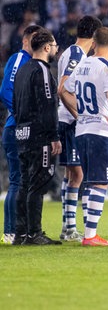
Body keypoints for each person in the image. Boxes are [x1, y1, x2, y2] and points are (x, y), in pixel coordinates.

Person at [59, 27, 108, 246]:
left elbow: (64, 90)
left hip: (82, 130)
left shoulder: (82, 63)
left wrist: (80, 112)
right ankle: (91, 235)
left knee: (89, 181)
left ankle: (88, 233)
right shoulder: (106, 67)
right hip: (100, 132)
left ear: (93, 43)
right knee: (100, 182)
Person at [12, 29, 62, 245]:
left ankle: (20, 233)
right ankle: (35, 233)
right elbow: (48, 105)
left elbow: (15, 104)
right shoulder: (41, 70)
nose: (57, 48)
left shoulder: (22, 70)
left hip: (21, 134)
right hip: (39, 137)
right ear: (46, 47)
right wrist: (54, 136)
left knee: (24, 184)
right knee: (38, 184)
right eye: (55, 45)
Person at [56, 15, 103, 242]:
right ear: (94, 36)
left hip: (66, 120)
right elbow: (63, 87)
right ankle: (70, 228)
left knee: (72, 175)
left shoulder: (71, 52)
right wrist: (79, 115)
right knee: (78, 174)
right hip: (70, 121)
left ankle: (68, 226)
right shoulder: (76, 54)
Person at [1, 24, 41, 244]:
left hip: (18, 127)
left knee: (19, 181)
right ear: (27, 40)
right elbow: (5, 89)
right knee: (17, 181)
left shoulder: (30, 63)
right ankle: (10, 231)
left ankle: (14, 230)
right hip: (15, 127)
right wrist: (21, 113)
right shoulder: (19, 59)